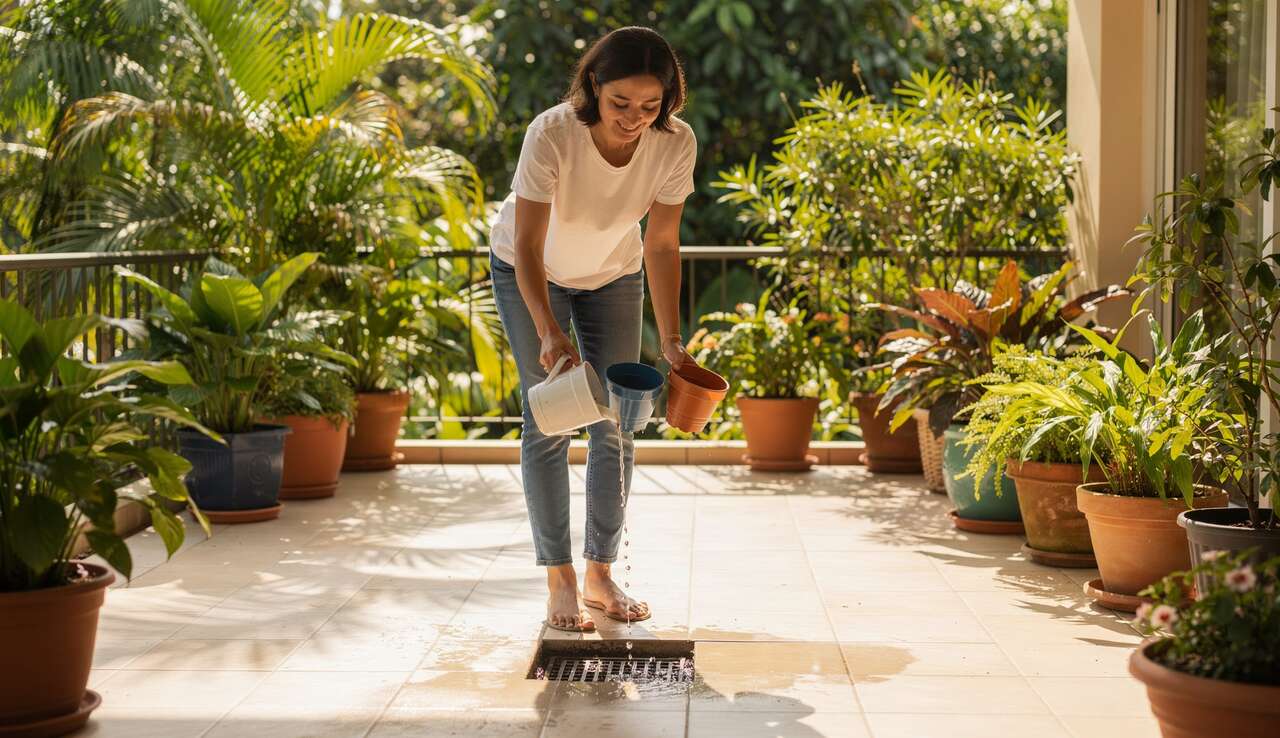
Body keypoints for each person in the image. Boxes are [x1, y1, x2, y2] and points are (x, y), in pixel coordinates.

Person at [489, 26, 697, 632]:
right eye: (620, 104)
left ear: (669, 100)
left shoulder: (674, 143)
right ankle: (560, 578)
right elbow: (527, 247)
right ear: (593, 88)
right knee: (549, 419)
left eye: (650, 106)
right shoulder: (553, 133)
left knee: (618, 420)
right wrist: (550, 330)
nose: (635, 119)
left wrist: (672, 338)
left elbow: (660, 243)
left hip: (613, 272)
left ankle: (601, 573)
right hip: (532, 269)